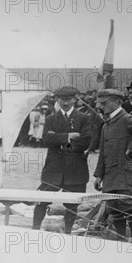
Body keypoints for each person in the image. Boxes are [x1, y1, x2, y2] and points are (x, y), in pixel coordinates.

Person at [94, 89, 132, 243]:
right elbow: (103, 153)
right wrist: (99, 175)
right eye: (99, 103)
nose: (101, 106)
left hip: (125, 173)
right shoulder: (106, 125)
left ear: (117, 102)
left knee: (127, 206)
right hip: (110, 174)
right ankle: (121, 240)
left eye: (104, 103)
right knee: (114, 207)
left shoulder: (126, 119)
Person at [32, 86, 92, 234]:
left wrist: (57, 138)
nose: (65, 103)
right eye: (62, 99)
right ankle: (34, 228)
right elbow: (46, 140)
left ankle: (68, 231)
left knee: (72, 204)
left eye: (68, 99)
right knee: (42, 199)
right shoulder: (51, 119)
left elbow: (85, 141)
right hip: (54, 168)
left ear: (74, 100)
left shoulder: (84, 119)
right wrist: (69, 136)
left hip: (75, 168)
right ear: (58, 100)